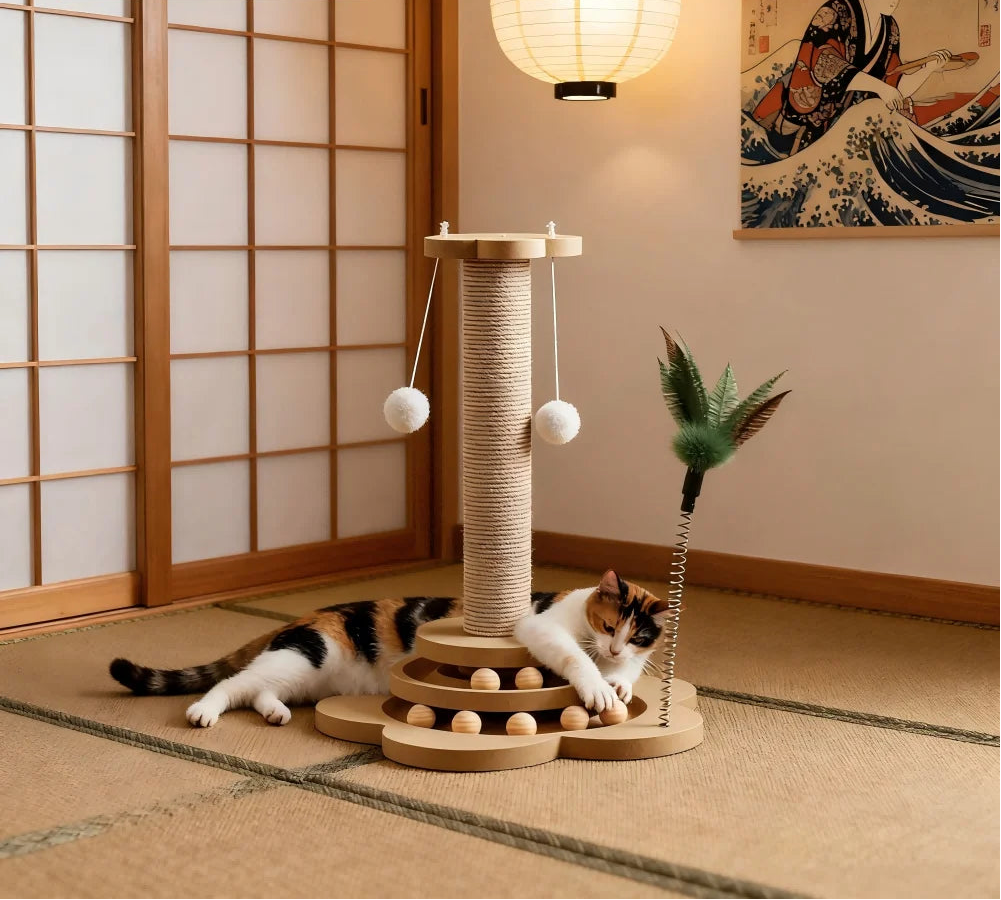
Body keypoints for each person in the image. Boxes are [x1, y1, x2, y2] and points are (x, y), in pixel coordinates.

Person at [751, 0, 952, 157]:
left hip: (845, 128)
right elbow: (826, 65)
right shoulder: (834, 11)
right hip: (804, 121)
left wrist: (928, 69)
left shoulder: (890, 29)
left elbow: (894, 86)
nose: (895, 1)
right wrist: (879, 87)